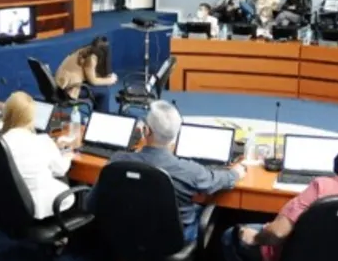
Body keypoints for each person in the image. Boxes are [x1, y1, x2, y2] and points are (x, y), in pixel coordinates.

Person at [86, 100, 246, 242]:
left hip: (123, 231)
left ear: (145, 131)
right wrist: (236, 172)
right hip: (172, 239)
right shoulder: (189, 170)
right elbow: (217, 180)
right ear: (176, 135)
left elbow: (91, 204)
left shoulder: (117, 161)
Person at [0, 91, 78, 219]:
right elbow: (61, 170)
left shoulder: (2, 140)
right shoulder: (41, 141)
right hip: (36, 202)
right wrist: (67, 154)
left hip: (11, 199)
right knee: (67, 192)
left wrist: (53, 147)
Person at [55, 35, 118, 112]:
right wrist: (110, 80)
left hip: (64, 83)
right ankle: (101, 119)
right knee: (104, 92)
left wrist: (107, 77)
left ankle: (98, 116)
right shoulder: (91, 58)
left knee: (103, 89)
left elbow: (92, 73)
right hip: (69, 88)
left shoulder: (88, 50)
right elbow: (93, 81)